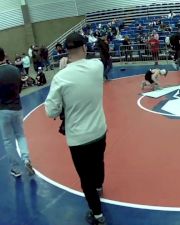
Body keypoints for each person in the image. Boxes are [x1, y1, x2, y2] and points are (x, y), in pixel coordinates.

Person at [44, 32, 108, 225]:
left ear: (66, 52)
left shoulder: (60, 78)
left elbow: (51, 111)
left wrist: (62, 70)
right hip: (99, 129)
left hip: (78, 137)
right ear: (85, 48)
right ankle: (99, 186)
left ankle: (97, 215)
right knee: (98, 162)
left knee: (85, 176)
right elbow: (88, 67)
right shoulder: (97, 66)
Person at [0, 47, 35, 177]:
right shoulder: (15, 70)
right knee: (20, 135)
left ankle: (15, 168)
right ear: (5, 55)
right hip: (17, 107)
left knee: (8, 140)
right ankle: (26, 159)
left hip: (2, 110)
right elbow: (20, 88)